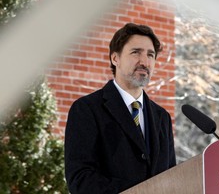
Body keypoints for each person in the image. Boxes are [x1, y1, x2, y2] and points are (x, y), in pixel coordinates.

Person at [64, 23, 176, 194]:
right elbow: (80, 180)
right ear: (115, 58)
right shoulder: (86, 109)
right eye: (136, 52)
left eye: (150, 55)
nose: (144, 61)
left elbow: (170, 179)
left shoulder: (162, 118)